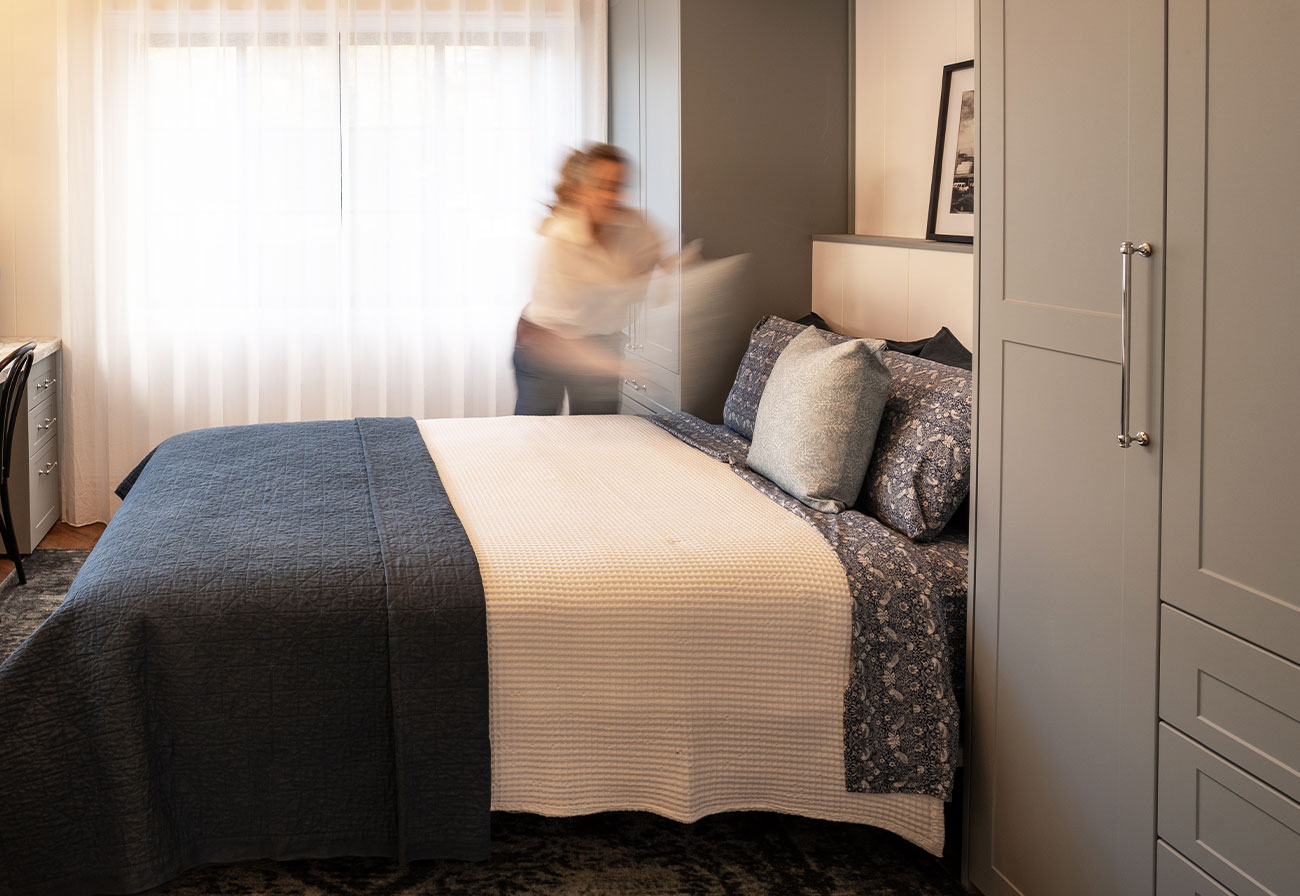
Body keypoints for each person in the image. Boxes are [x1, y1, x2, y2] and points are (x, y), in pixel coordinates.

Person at [513, 143, 664, 415]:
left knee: (598, 434)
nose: (611, 195)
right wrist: (615, 366)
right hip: (545, 344)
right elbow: (560, 337)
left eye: (618, 186)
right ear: (579, 189)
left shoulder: (635, 226)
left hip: (603, 338)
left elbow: (663, 258)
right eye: (602, 185)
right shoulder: (559, 242)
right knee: (536, 433)